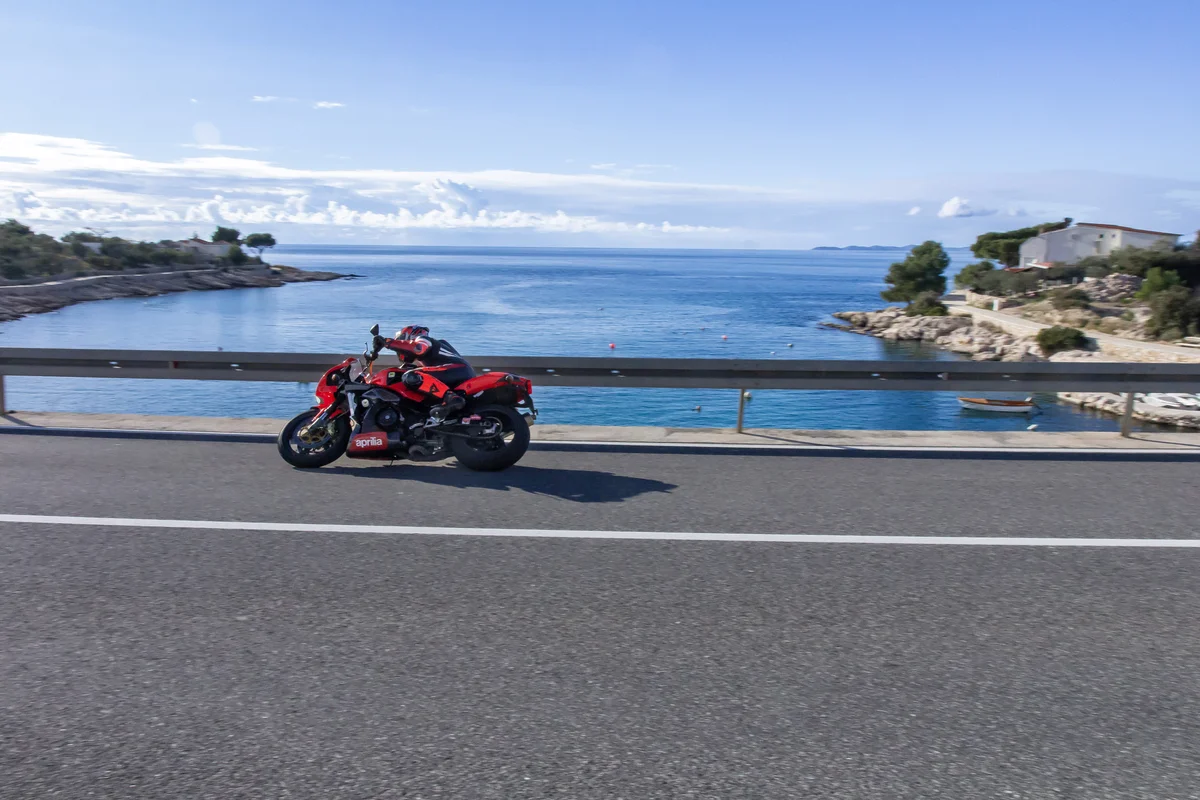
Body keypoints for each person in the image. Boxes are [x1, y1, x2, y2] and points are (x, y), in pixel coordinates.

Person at [386, 325, 473, 420]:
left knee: (412, 376)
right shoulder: (433, 353)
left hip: (456, 369)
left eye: (401, 339)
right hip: (458, 371)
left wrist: (388, 343)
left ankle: (452, 398)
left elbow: (418, 349)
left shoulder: (423, 339)